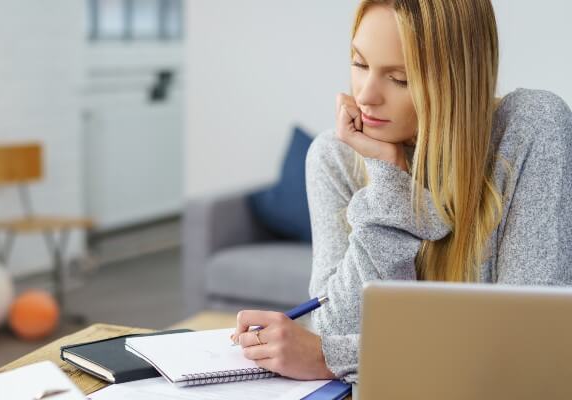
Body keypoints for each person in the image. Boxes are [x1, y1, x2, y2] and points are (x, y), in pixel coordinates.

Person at [231, 0, 572, 383]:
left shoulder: (533, 127)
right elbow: (335, 323)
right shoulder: (335, 156)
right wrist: (388, 174)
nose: (365, 96)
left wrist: (330, 357)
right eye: (359, 64)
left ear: (458, 80)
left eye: (400, 78)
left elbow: (533, 339)